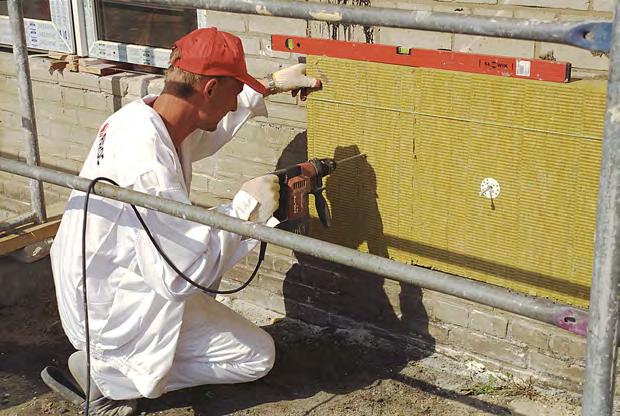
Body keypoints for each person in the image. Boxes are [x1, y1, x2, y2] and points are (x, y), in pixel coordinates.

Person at [40, 27, 320, 416]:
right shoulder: (148, 169)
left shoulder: (142, 118)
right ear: (208, 89)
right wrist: (247, 209)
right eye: (235, 90)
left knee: (202, 254)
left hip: (99, 283)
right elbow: (179, 276)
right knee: (257, 357)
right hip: (117, 309)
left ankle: (112, 365)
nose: (235, 101)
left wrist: (268, 86)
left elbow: (205, 132)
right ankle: (106, 377)